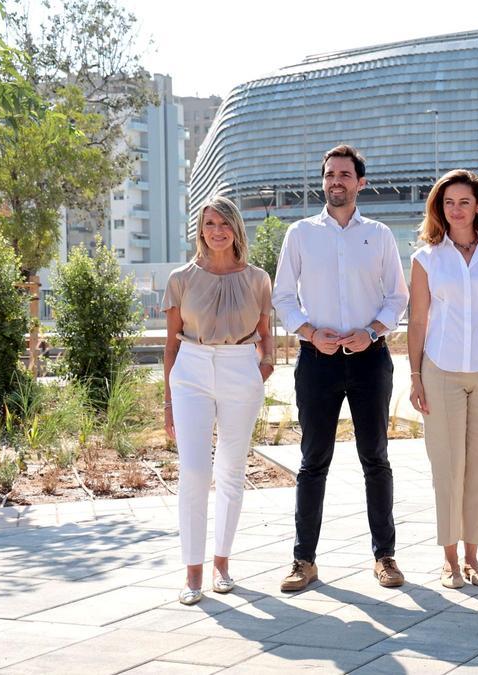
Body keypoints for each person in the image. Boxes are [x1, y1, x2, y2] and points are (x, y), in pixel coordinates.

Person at [273, 145, 410, 592]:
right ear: (323, 181)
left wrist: (371, 331)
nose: (336, 181)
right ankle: (303, 560)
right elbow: (283, 297)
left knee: (376, 459)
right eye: (330, 174)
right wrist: (310, 332)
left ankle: (385, 557)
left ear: (360, 183)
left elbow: (397, 297)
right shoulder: (300, 234)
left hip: (370, 359)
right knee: (313, 461)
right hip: (317, 362)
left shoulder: (380, 234)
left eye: (345, 174)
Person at [163, 195, 273, 605]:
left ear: (236, 228)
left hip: (239, 367)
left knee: (231, 468)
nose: (216, 231)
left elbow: (266, 334)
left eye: (224, 223)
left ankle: (221, 563)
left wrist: (261, 369)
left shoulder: (259, 278)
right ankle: (192, 571)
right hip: (190, 370)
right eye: (209, 223)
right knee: (194, 470)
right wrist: (168, 401)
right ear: (200, 230)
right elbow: (170, 346)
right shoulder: (181, 278)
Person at [408, 170, 478, 590]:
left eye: (464, 202)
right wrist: (415, 375)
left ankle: (473, 556)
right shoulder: (426, 259)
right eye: (449, 202)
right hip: (441, 370)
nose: (456, 209)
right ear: (440, 208)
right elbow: (418, 320)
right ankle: (449, 559)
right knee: (447, 467)